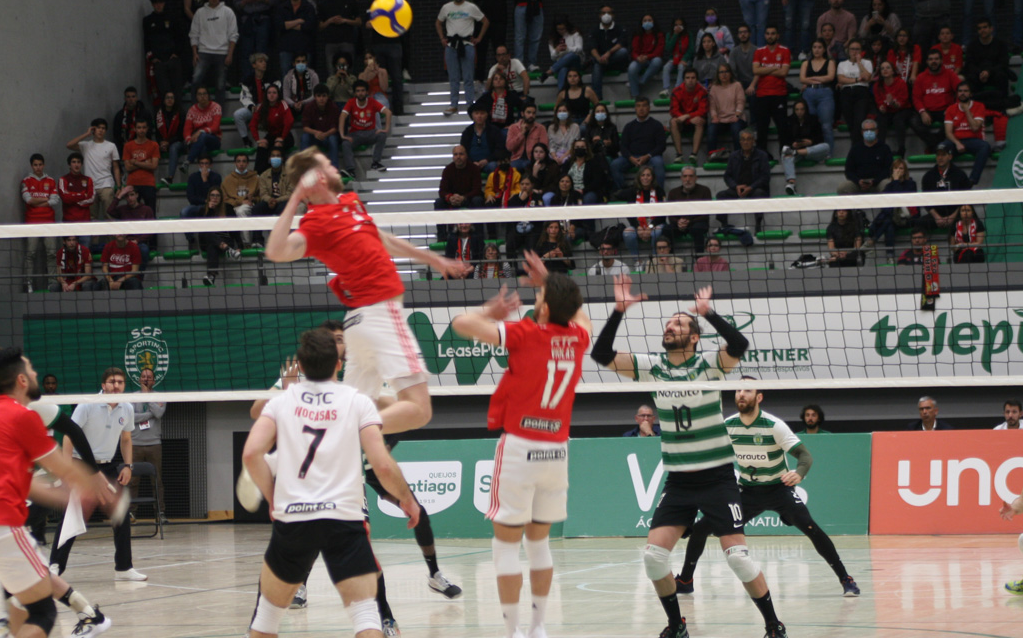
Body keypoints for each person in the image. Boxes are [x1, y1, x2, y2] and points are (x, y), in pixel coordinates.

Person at [590, 279, 786, 638]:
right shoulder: (652, 367)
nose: (670, 326)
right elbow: (601, 354)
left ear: (695, 337)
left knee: (739, 559)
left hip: (718, 479)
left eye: (679, 323)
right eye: (668, 323)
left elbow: (739, 345)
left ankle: (774, 625)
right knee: (653, 557)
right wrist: (618, 311)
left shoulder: (710, 364)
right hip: (679, 481)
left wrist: (707, 313)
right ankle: (677, 625)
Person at [266, 147, 468, 434]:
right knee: (419, 410)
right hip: (381, 314)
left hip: (358, 326)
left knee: (352, 407)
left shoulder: (350, 202)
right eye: (327, 165)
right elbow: (275, 251)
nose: (335, 168)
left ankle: (325, 438)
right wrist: (297, 195)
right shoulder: (315, 224)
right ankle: (343, 431)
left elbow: (382, 239)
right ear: (316, 178)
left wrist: (433, 259)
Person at [240, 328, 420, 638]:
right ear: (339, 363)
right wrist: (407, 499)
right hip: (344, 521)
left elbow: (251, 453)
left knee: (267, 619)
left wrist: (272, 497)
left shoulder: (280, 402)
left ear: (300, 365)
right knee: (366, 616)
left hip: (294, 519)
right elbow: (381, 464)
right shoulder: (357, 401)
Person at [451, 262, 591, 638]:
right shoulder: (579, 338)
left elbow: (460, 324)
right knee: (539, 543)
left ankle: (513, 631)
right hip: (557, 451)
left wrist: (489, 311)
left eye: (539, 296)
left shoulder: (525, 333)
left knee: (506, 547)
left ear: (543, 309)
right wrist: (552, 284)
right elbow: (581, 315)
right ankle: (538, 627)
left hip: (520, 449)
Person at [0, 349, 113, 638]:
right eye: (31, 369)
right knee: (42, 611)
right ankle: (87, 616)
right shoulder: (21, 415)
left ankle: (88, 615)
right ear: (21, 380)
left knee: (28, 581)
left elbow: (24, 482)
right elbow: (63, 467)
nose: (37, 373)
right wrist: (97, 485)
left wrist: (66, 497)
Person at [676, 381, 861, 598]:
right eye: (738, 390)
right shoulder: (728, 426)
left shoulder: (774, 425)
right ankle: (686, 580)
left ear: (759, 397)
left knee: (811, 528)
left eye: (747, 390)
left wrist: (799, 473)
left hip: (778, 490)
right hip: (747, 492)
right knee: (701, 528)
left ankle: (846, 579)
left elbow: (805, 456)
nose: (741, 394)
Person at [49, 368, 147, 581]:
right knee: (72, 514)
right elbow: (68, 437)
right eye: (112, 382)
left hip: (108, 466)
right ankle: (55, 565)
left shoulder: (127, 408)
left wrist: (128, 466)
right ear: (103, 385)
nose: (116, 385)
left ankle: (124, 568)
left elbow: (126, 439)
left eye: (120, 382)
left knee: (121, 513)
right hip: (82, 465)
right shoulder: (87, 405)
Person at [435, 0, 488, 116]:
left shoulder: (471, 7)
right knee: (453, 77)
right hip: (451, 45)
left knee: (468, 77)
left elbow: (485, 22)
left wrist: (479, 38)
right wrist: (442, 38)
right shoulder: (446, 7)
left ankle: (470, 105)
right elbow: (438, 23)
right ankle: (454, 105)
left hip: (467, 44)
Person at [965, 18, 1023, 138]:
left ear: (991, 29)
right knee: (969, 79)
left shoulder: (1000, 44)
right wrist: (980, 73)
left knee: (1002, 75)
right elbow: (969, 65)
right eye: (980, 28)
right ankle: (980, 107)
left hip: (995, 74)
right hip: (978, 76)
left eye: (985, 27)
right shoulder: (972, 46)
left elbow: (1003, 63)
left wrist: (988, 72)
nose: (982, 30)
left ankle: (993, 106)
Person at [232, 0, 279, 81]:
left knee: (262, 51)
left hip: (263, 19)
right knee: (246, 51)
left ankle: (262, 79)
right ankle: (247, 80)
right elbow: (236, 4)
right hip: (247, 20)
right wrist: (245, 1)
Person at [364, 0, 405, 114]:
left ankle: (398, 108)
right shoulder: (373, 2)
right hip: (377, 44)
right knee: (376, 75)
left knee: (396, 77)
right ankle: (380, 106)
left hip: (394, 44)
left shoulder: (398, 2)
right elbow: (367, 24)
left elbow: (403, 22)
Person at [129, 368, 165, 522]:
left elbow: (159, 413)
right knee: (132, 480)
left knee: (157, 480)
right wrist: (149, 414)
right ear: (139, 379)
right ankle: (131, 513)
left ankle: (160, 513)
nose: (146, 379)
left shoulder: (160, 397)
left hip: (154, 443)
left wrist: (147, 397)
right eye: (143, 376)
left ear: (154, 381)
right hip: (135, 444)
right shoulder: (132, 397)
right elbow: (131, 417)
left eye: (149, 377)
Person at [716, 130, 770, 234]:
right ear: (740, 142)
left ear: (753, 141)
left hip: (755, 188)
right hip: (738, 188)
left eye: (749, 139)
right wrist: (735, 186)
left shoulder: (762, 155)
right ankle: (724, 224)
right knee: (721, 195)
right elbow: (727, 176)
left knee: (759, 193)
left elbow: (765, 177)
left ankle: (758, 224)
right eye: (743, 139)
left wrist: (751, 187)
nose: (746, 142)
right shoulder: (733, 156)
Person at [469, 0, 511, 80]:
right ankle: (479, 80)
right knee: (480, 50)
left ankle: (501, 79)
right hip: (480, 21)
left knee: (499, 51)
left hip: (498, 19)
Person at [750, 25, 791, 156]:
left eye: (773, 33)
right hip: (762, 95)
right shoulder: (759, 51)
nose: (770, 36)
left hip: (779, 94)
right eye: (768, 33)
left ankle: (784, 155)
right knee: (762, 128)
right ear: (764, 35)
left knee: (783, 127)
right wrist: (774, 68)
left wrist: (764, 69)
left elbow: (784, 72)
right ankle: (762, 156)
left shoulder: (785, 51)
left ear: (777, 36)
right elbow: (755, 70)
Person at [21, 153, 58, 293]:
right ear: (31, 166)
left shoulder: (51, 181)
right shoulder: (26, 181)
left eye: (40, 164)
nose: (38, 167)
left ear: (44, 165)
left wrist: (37, 202)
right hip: (32, 223)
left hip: (49, 222)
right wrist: (45, 199)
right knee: (30, 254)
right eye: (35, 165)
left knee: (52, 253)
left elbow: (55, 200)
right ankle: (28, 283)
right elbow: (28, 200)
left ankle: (52, 283)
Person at [188, 0, 238, 93]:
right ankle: (194, 104)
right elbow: (194, 34)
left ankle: (219, 105)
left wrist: (230, 54)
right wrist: (195, 53)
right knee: (196, 80)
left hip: (222, 52)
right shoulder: (200, 12)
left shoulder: (228, 12)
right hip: (203, 52)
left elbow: (233, 34)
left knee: (220, 85)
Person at [912, 48, 962, 151]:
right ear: (927, 62)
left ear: (941, 60)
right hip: (928, 111)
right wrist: (922, 112)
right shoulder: (921, 77)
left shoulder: (950, 74)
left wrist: (953, 109)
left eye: (936, 59)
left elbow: (960, 91)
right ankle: (937, 145)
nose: (933, 61)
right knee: (914, 121)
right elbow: (916, 97)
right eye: (930, 59)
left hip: (946, 110)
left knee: (953, 121)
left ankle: (932, 146)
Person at [614, 97, 667, 192]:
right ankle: (622, 192)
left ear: (649, 108)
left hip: (651, 157)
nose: (641, 109)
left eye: (644, 106)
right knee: (615, 164)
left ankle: (659, 193)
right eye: (638, 106)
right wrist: (631, 158)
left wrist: (647, 156)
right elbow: (623, 146)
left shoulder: (657, 125)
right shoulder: (629, 126)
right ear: (635, 108)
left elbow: (661, 146)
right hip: (632, 157)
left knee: (658, 163)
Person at [340, 80, 391, 177]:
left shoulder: (372, 101)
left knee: (382, 135)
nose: (360, 93)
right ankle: (350, 171)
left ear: (367, 92)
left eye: (363, 90)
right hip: (355, 134)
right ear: (355, 93)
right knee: (345, 144)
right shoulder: (351, 102)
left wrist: (386, 129)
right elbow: (342, 116)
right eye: (358, 91)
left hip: (370, 132)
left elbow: (388, 112)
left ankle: (375, 163)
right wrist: (342, 134)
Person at [868, 159, 918, 256]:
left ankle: (872, 240)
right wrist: (894, 182)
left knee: (888, 220)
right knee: (889, 224)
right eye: (896, 168)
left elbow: (899, 198)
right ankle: (889, 255)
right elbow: (885, 204)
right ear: (892, 171)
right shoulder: (889, 185)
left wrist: (895, 181)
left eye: (901, 168)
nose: (898, 171)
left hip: (907, 218)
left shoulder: (911, 184)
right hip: (893, 218)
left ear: (905, 171)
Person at [946, 82, 992, 184]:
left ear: (970, 94)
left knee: (985, 147)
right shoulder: (951, 109)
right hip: (957, 140)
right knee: (942, 147)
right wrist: (957, 143)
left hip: (974, 140)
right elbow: (948, 132)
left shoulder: (979, 106)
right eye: (960, 91)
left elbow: (975, 127)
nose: (962, 93)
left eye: (965, 91)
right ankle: (946, 178)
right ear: (957, 94)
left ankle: (972, 180)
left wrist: (966, 110)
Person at [195, 186, 243, 285]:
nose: (215, 198)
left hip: (225, 239)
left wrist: (240, 245)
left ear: (221, 198)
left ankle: (211, 276)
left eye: (217, 195)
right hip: (207, 239)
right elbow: (202, 228)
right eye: (212, 195)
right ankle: (227, 249)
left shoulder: (228, 208)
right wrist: (210, 210)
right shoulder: (202, 210)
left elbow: (235, 228)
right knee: (208, 232)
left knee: (212, 246)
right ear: (209, 197)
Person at [435, 145, 484, 240]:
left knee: (478, 200)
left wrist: (464, 197)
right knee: (439, 202)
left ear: (466, 156)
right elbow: (442, 191)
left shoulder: (474, 168)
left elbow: (477, 189)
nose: (458, 157)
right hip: (453, 200)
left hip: (469, 199)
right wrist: (450, 197)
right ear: (453, 157)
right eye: (455, 154)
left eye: (461, 154)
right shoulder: (448, 169)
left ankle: (479, 235)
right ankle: (442, 237)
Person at [920, 142, 973, 231]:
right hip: (936, 214)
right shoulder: (928, 176)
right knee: (919, 223)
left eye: (943, 155)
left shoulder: (960, 175)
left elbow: (966, 198)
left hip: (956, 213)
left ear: (950, 156)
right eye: (938, 155)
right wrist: (937, 217)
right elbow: (926, 199)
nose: (940, 158)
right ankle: (929, 242)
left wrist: (953, 217)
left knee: (973, 222)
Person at [781, 99, 829, 196]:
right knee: (786, 154)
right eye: (797, 109)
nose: (799, 112)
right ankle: (791, 183)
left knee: (826, 147)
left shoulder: (813, 119)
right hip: (796, 151)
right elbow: (784, 140)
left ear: (806, 110)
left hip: (812, 151)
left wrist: (810, 142)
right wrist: (793, 144)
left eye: (802, 109)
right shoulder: (789, 121)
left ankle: (796, 152)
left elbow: (820, 138)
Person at [317, 0, 362, 74]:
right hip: (330, 42)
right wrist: (330, 21)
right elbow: (320, 26)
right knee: (331, 73)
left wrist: (345, 21)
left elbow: (359, 22)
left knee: (349, 72)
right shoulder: (324, 3)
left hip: (347, 40)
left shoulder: (350, 0)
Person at [143, 0, 185, 98]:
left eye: (160, 2)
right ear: (152, 4)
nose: (158, 5)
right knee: (162, 90)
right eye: (155, 3)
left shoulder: (172, 18)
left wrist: (176, 53)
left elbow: (180, 37)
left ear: (164, 3)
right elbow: (146, 41)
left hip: (172, 58)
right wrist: (152, 58)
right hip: (158, 60)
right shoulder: (148, 20)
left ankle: (177, 108)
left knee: (176, 89)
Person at [842, 119, 898, 198]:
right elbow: (849, 170)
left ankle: (885, 206)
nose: (869, 132)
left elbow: (888, 169)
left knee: (887, 185)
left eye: (872, 130)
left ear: (877, 131)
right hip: (859, 183)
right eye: (866, 130)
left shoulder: (884, 148)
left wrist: (875, 181)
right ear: (862, 132)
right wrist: (858, 181)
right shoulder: (855, 149)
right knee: (843, 188)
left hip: (878, 182)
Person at [384, 0, 417, 77]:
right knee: (388, 42)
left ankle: (405, 69)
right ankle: (388, 71)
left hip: (403, 13)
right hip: (388, 13)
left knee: (404, 42)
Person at [665, 165, 712, 253]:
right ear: (681, 178)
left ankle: (699, 258)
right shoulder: (673, 192)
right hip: (679, 224)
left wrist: (689, 221)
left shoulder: (705, 190)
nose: (687, 179)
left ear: (696, 178)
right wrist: (678, 222)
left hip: (697, 222)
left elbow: (706, 214)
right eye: (685, 176)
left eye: (691, 176)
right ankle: (670, 258)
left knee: (698, 228)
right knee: (666, 229)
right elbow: (670, 214)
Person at [706, 63, 747, 158]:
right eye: (721, 72)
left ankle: (739, 156)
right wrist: (714, 117)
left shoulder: (737, 85)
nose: (724, 74)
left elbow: (740, 102)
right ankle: (711, 156)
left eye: (726, 71)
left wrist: (737, 115)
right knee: (711, 129)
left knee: (736, 129)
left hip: (736, 118)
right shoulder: (714, 88)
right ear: (718, 74)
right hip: (720, 119)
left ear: (730, 73)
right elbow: (712, 106)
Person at [276, 0, 317, 74]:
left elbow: (309, 26)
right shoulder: (282, 7)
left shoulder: (308, 7)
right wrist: (298, 21)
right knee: (286, 75)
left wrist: (288, 25)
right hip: (286, 46)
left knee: (305, 76)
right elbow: (280, 25)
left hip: (304, 47)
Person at [836, 40, 875, 139]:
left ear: (861, 51)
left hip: (861, 92)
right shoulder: (842, 64)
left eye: (857, 49)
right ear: (848, 51)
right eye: (852, 49)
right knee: (850, 122)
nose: (855, 51)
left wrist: (859, 63)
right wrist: (857, 79)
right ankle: (857, 145)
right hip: (847, 92)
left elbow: (867, 77)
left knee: (859, 120)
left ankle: (857, 145)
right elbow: (841, 79)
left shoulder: (867, 63)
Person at [873, 61, 913, 158]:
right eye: (882, 68)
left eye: (888, 68)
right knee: (880, 120)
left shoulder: (901, 83)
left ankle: (901, 149)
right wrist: (882, 107)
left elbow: (902, 103)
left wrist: (893, 103)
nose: (885, 70)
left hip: (902, 109)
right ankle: (880, 149)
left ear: (893, 71)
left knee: (898, 120)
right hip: (888, 111)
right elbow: (879, 103)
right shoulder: (877, 86)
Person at [669, 68, 708, 165]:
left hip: (694, 120)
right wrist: (688, 119)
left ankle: (694, 154)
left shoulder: (702, 91)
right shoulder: (676, 91)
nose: (690, 80)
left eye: (693, 78)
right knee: (673, 122)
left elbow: (703, 110)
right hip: (682, 122)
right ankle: (679, 155)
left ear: (697, 79)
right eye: (688, 78)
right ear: (684, 80)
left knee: (700, 121)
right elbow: (674, 111)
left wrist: (687, 116)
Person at [589, 5, 630, 97]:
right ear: (599, 15)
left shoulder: (620, 29)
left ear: (613, 15)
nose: (606, 15)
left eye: (609, 13)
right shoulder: (594, 30)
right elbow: (592, 47)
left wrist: (608, 53)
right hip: (601, 60)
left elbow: (621, 44)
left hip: (616, 60)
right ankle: (597, 98)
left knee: (623, 52)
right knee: (597, 65)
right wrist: (599, 59)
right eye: (603, 13)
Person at [106, 186, 155, 263]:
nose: (130, 198)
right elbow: (110, 210)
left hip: (140, 242)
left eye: (132, 195)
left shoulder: (146, 209)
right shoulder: (122, 209)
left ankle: (139, 271)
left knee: (144, 250)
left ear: (137, 195)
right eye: (127, 196)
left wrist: (137, 241)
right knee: (106, 247)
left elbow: (151, 230)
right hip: (124, 241)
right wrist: (119, 196)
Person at [235, 53, 273, 148]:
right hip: (255, 108)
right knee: (238, 114)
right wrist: (252, 106)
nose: (264, 63)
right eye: (261, 61)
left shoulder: (272, 78)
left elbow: (276, 95)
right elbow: (245, 97)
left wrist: (265, 106)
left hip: (270, 108)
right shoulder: (247, 80)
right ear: (254, 65)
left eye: (265, 61)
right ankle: (246, 141)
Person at [299, 84, 341, 170]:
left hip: (328, 136)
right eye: (319, 96)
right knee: (305, 137)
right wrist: (316, 132)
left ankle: (334, 169)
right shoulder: (309, 107)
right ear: (315, 97)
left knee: (333, 139)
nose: (321, 99)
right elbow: (305, 127)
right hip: (314, 137)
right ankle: (303, 168)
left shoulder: (333, 107)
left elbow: (335, 128)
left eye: (324, 96)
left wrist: (325, 134)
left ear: (328, 97)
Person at [122, 116, 159, 211]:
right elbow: (128, 167)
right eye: (139, 127)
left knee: (151, 213)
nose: (141, 130)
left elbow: (154, 165)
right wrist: (145, 163)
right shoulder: (128, 146)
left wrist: (135, 162)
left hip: (149, 183)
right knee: (132, 214)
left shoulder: (154, 145)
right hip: (132, 184)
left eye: (143, 127)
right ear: (135, 129)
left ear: (147, 129)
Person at [559, 137, 610, 204]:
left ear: (586, 149)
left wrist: (583, 190)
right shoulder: (568, 163)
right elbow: (562, 177)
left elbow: (597, 181)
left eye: (582, 147)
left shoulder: (593, 163)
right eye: (577, 147)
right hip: (570, 191)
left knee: (588, 198)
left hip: (588, 191)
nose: (579, 148)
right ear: (573, 149)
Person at [183, 85, 223, 164]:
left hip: (213, 139)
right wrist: (189, 140)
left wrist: (201, 131)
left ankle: (189, 160)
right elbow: (187, 130)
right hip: (198, 140)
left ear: (208, 95)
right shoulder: (192, 110)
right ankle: (203, 170)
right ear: (196, 97)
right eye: (200, 94)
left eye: (204, 94)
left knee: (203, 136)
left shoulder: (216, 107)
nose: (202, 96)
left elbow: (215, 127)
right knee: (202, 147)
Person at [461, 101, 506, 172]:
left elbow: (500, 149)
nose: (479, 116)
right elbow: (463, 150)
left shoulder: (494, 130)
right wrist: (472, 162)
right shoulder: (467, 132)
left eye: (482, 113)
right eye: (476, 113)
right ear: (472, 115)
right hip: (471, 163)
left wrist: (487, 160)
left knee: (493, 166)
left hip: (489, 162)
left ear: (486, 115)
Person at [542, 16, 584, 90]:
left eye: (563, 29)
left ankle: (549, 72)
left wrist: (568, 49)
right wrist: (556, 51)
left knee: (571, 55)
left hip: (575, 63)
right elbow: (552, 57)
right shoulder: (552, 38)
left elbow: (580, 48)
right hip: (560, 64)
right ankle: (562, 93)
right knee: (563, 69)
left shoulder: (575, 34)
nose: (561, 31)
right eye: (559, 29)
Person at [627, 15, 664, 99]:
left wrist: (647, 56)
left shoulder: (659, 35)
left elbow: (659, 51)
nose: (647, 22)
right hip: (640, 60)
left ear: (654, 22)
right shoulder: (637, 35)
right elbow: (634, 51)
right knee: (632, 68)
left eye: (649, 20)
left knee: (657, 61)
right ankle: (634, 95)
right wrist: (637, 57)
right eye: (645, 20)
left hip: (652, 59)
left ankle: (641, 81)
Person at [155, 91, 186, 186]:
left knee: (173, 147)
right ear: (164, 100)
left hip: (179, 142)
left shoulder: (181, 113)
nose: (169, 100)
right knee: (153, 147)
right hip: (164, 142)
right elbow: (157, 133)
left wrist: (168, 142)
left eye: (172, 98)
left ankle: (170, 178)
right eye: (167, 98)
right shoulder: (159, 114)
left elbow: (181, 135)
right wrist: (161, 143)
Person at [506, 102, 547, 170]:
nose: (531, 115)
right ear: (522, 113)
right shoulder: (513, 127)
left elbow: (544, 147)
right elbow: (509, 147)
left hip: (534, 159)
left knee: (530, 166)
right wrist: (521, 133)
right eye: (528, 112)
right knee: (512, 169)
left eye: (533, 113)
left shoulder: (541, 128)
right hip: (517, 159)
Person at [659, 16, 691, 98]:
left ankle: (677, 89)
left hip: (685, 59)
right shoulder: (669, 35)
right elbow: (668, 48)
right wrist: (675, 35)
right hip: (673, 58)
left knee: (681, 67)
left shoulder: (688, 35)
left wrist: (684, 59)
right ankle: (666, 89)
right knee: (666, 67)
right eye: (676, 25)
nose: (678, 27)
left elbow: (691, 49)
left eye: (680, 25)